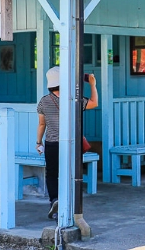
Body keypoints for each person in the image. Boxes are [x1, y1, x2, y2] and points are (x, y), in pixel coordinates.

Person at [36, 66, 99, 219]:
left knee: (51, 174)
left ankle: (55, 201)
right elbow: (94, 103)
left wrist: (38, 142)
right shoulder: (73, 99)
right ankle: (68, 206)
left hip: (51, 143)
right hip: (71, 143)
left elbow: (42, 124)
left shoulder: (44, 101)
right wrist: (92, 84)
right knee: (70, 173)